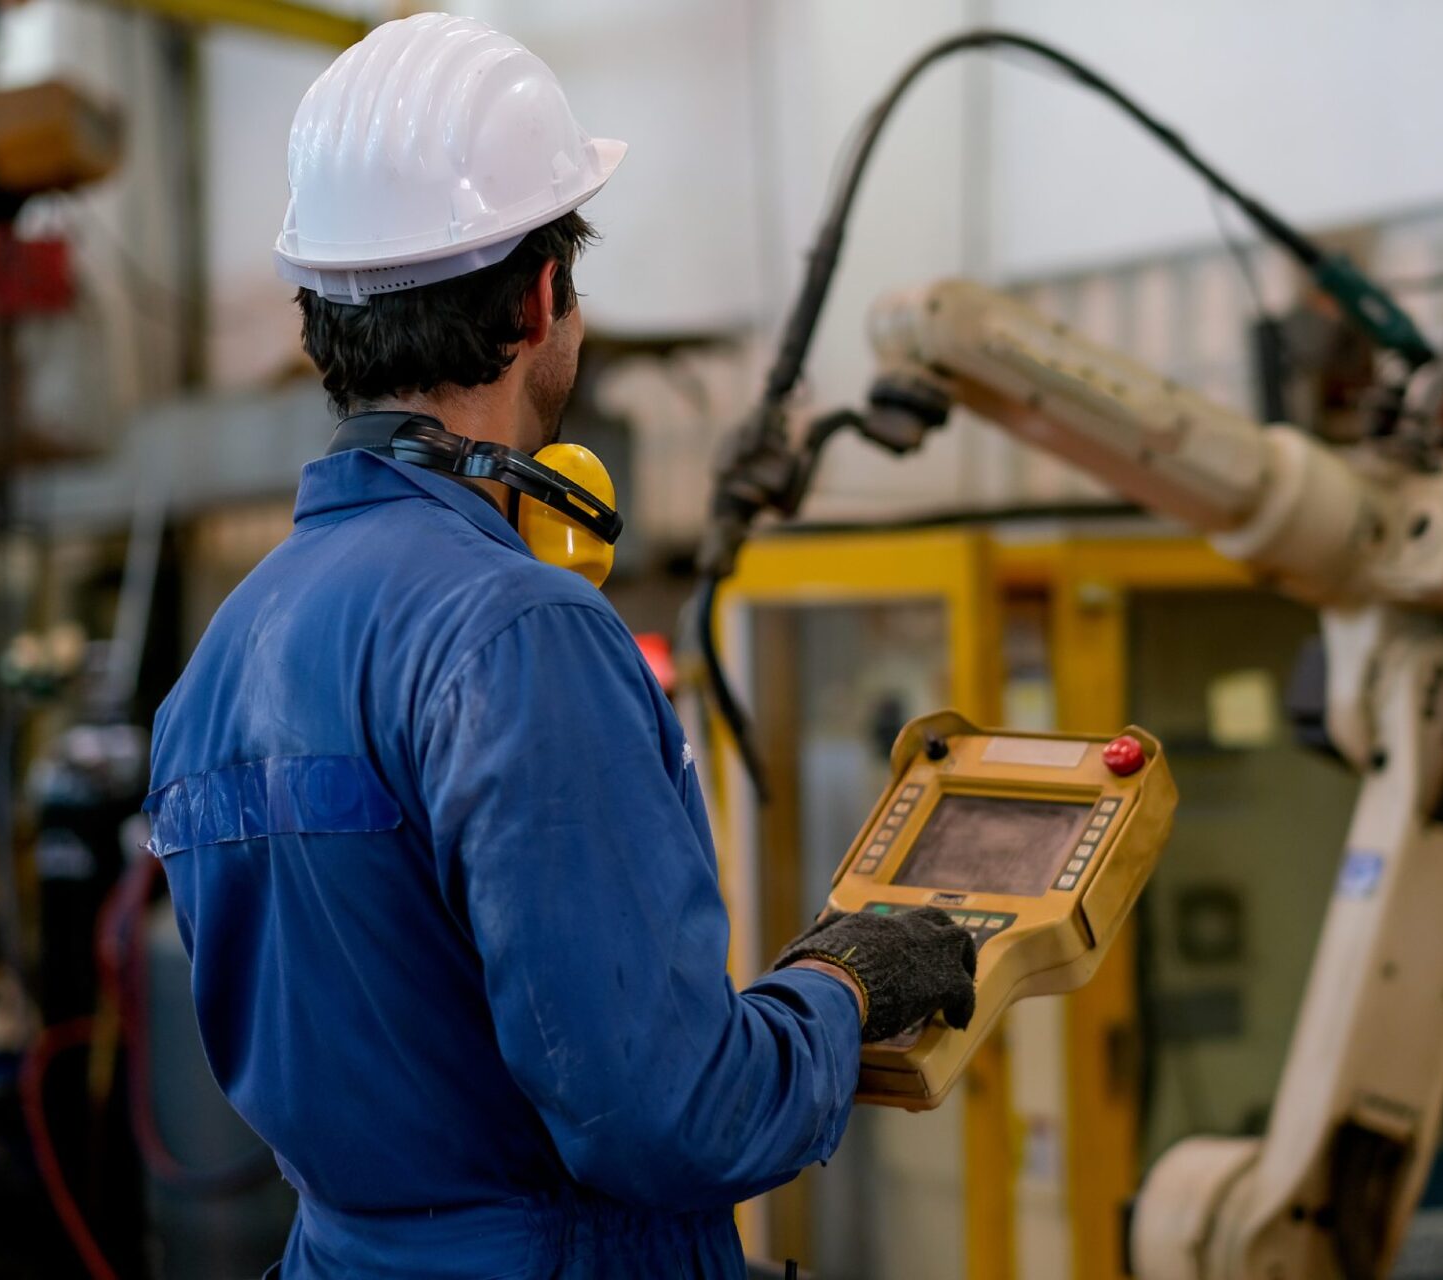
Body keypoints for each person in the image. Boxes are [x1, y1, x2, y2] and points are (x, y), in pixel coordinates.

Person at [142, 13, 978, 1278]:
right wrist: (845, 984)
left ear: (318, 323)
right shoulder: (519, 630)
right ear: (544, 298)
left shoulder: (223, 654)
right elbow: (672, 1116)